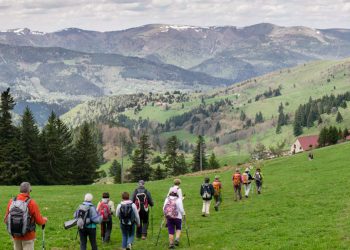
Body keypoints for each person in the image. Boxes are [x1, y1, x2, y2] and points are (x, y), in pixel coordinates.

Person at [4, 182, 48, 250]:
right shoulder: (31, 203)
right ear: (29, 191)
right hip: (28, 236)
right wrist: (44, 220)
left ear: (20, 190)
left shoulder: (11, 201)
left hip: (15, 235)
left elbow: (6, 219)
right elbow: (39, 221)